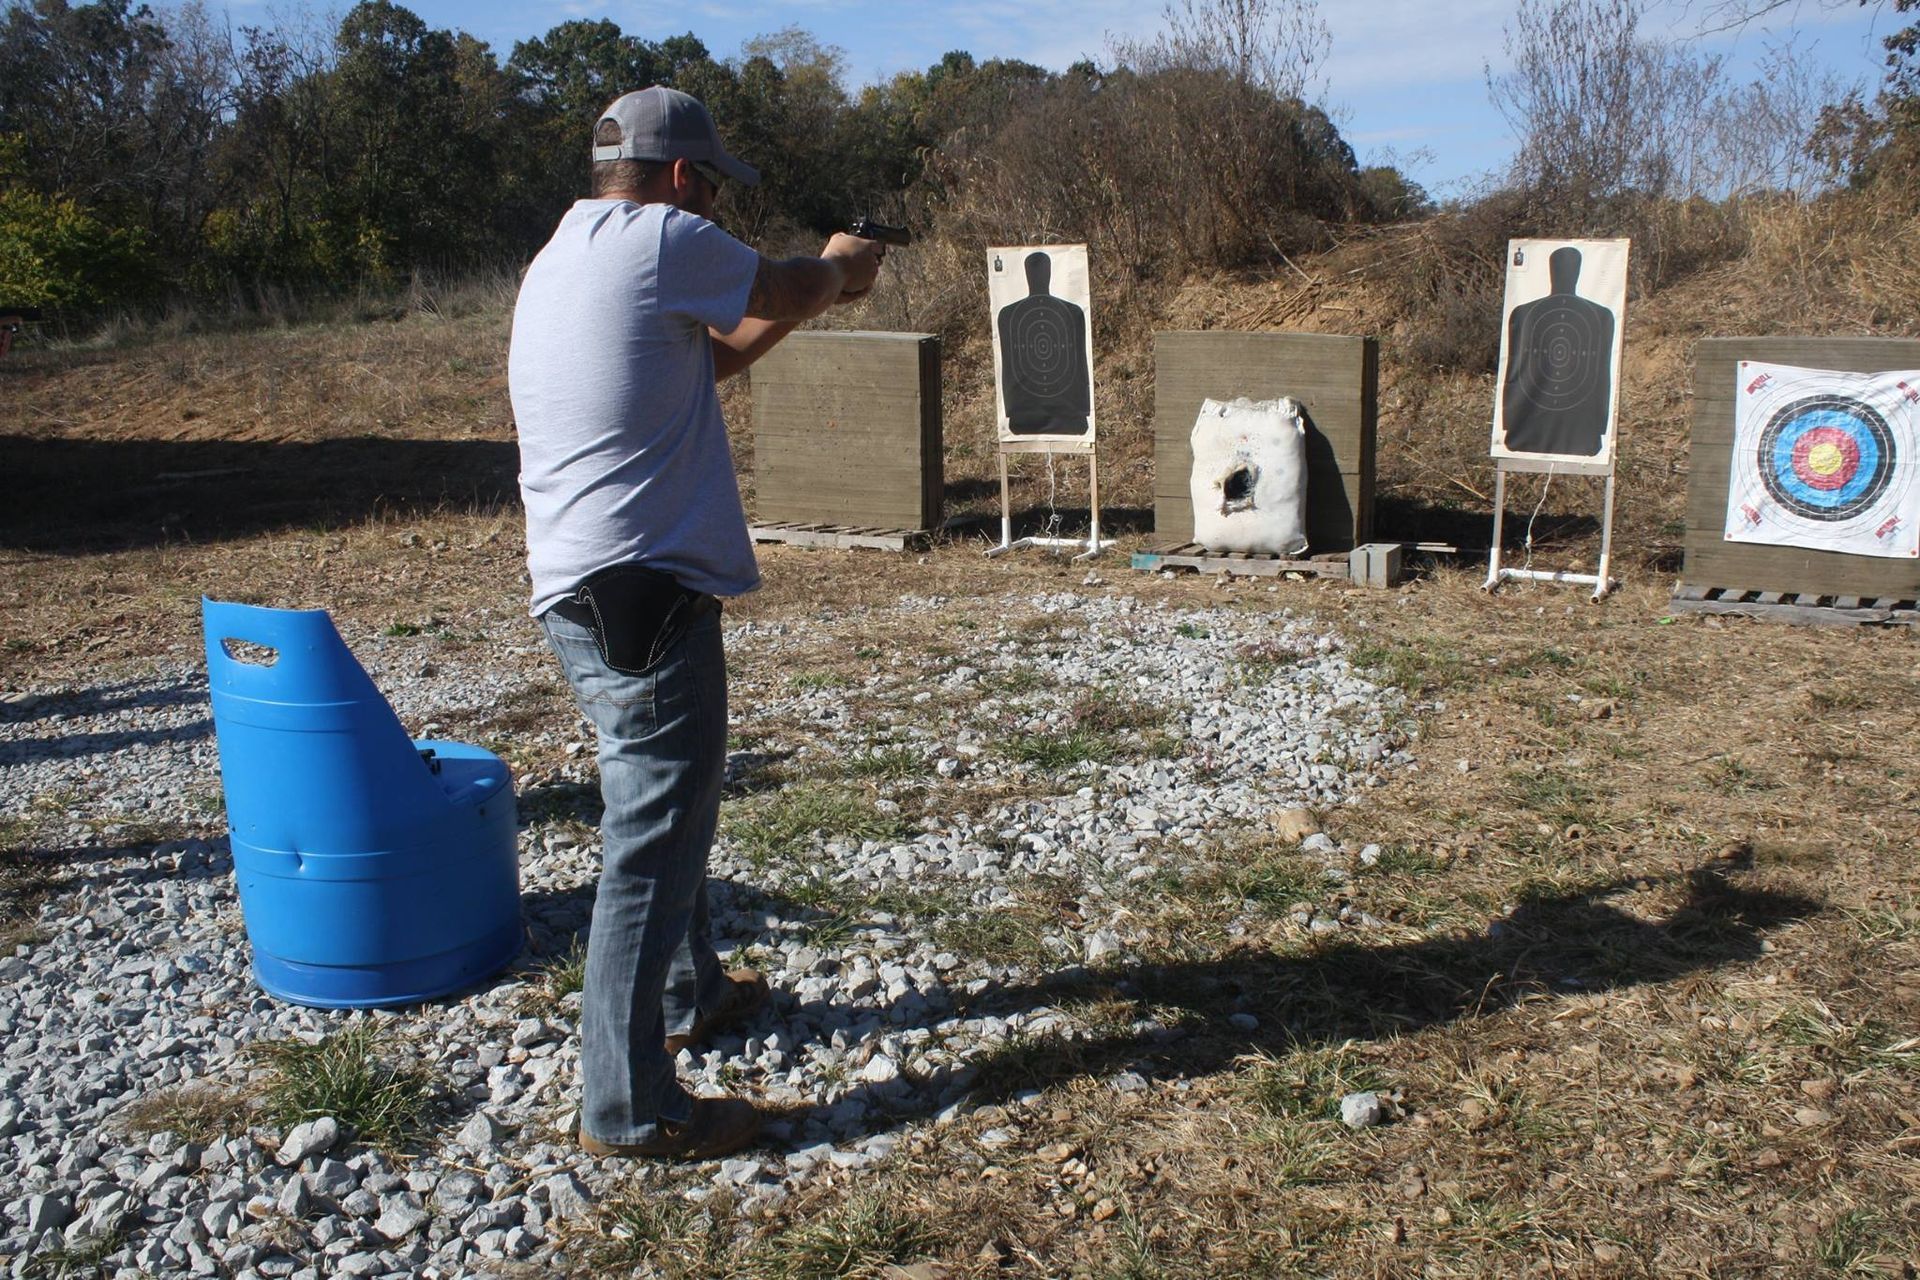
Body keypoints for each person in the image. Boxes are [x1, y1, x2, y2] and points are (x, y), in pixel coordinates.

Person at [508, 85, 884, 1160]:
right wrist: (841, 271)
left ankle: (694, 987)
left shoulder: (567, 253)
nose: (716, 204)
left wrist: (809, 295)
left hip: (594, 586)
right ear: (681, 180)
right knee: (652, 836)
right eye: (712, 186)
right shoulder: (661, 235)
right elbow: (780, 282)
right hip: (639, 588)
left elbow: (710, 356)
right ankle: (629, 1106)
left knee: (674, 802)